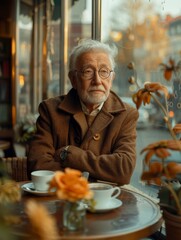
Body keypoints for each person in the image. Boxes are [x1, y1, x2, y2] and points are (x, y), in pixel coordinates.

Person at [27, 39, 139, 185]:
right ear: (73, 79)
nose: (97, 80)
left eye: (104, 72)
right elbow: (37, 166)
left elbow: (123, 170)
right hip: (59, 200)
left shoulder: (127, 115)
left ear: (112, 78)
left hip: (107, 201)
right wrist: (95, 176)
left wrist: (69, 154)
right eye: (88, 72)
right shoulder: (50, 110)